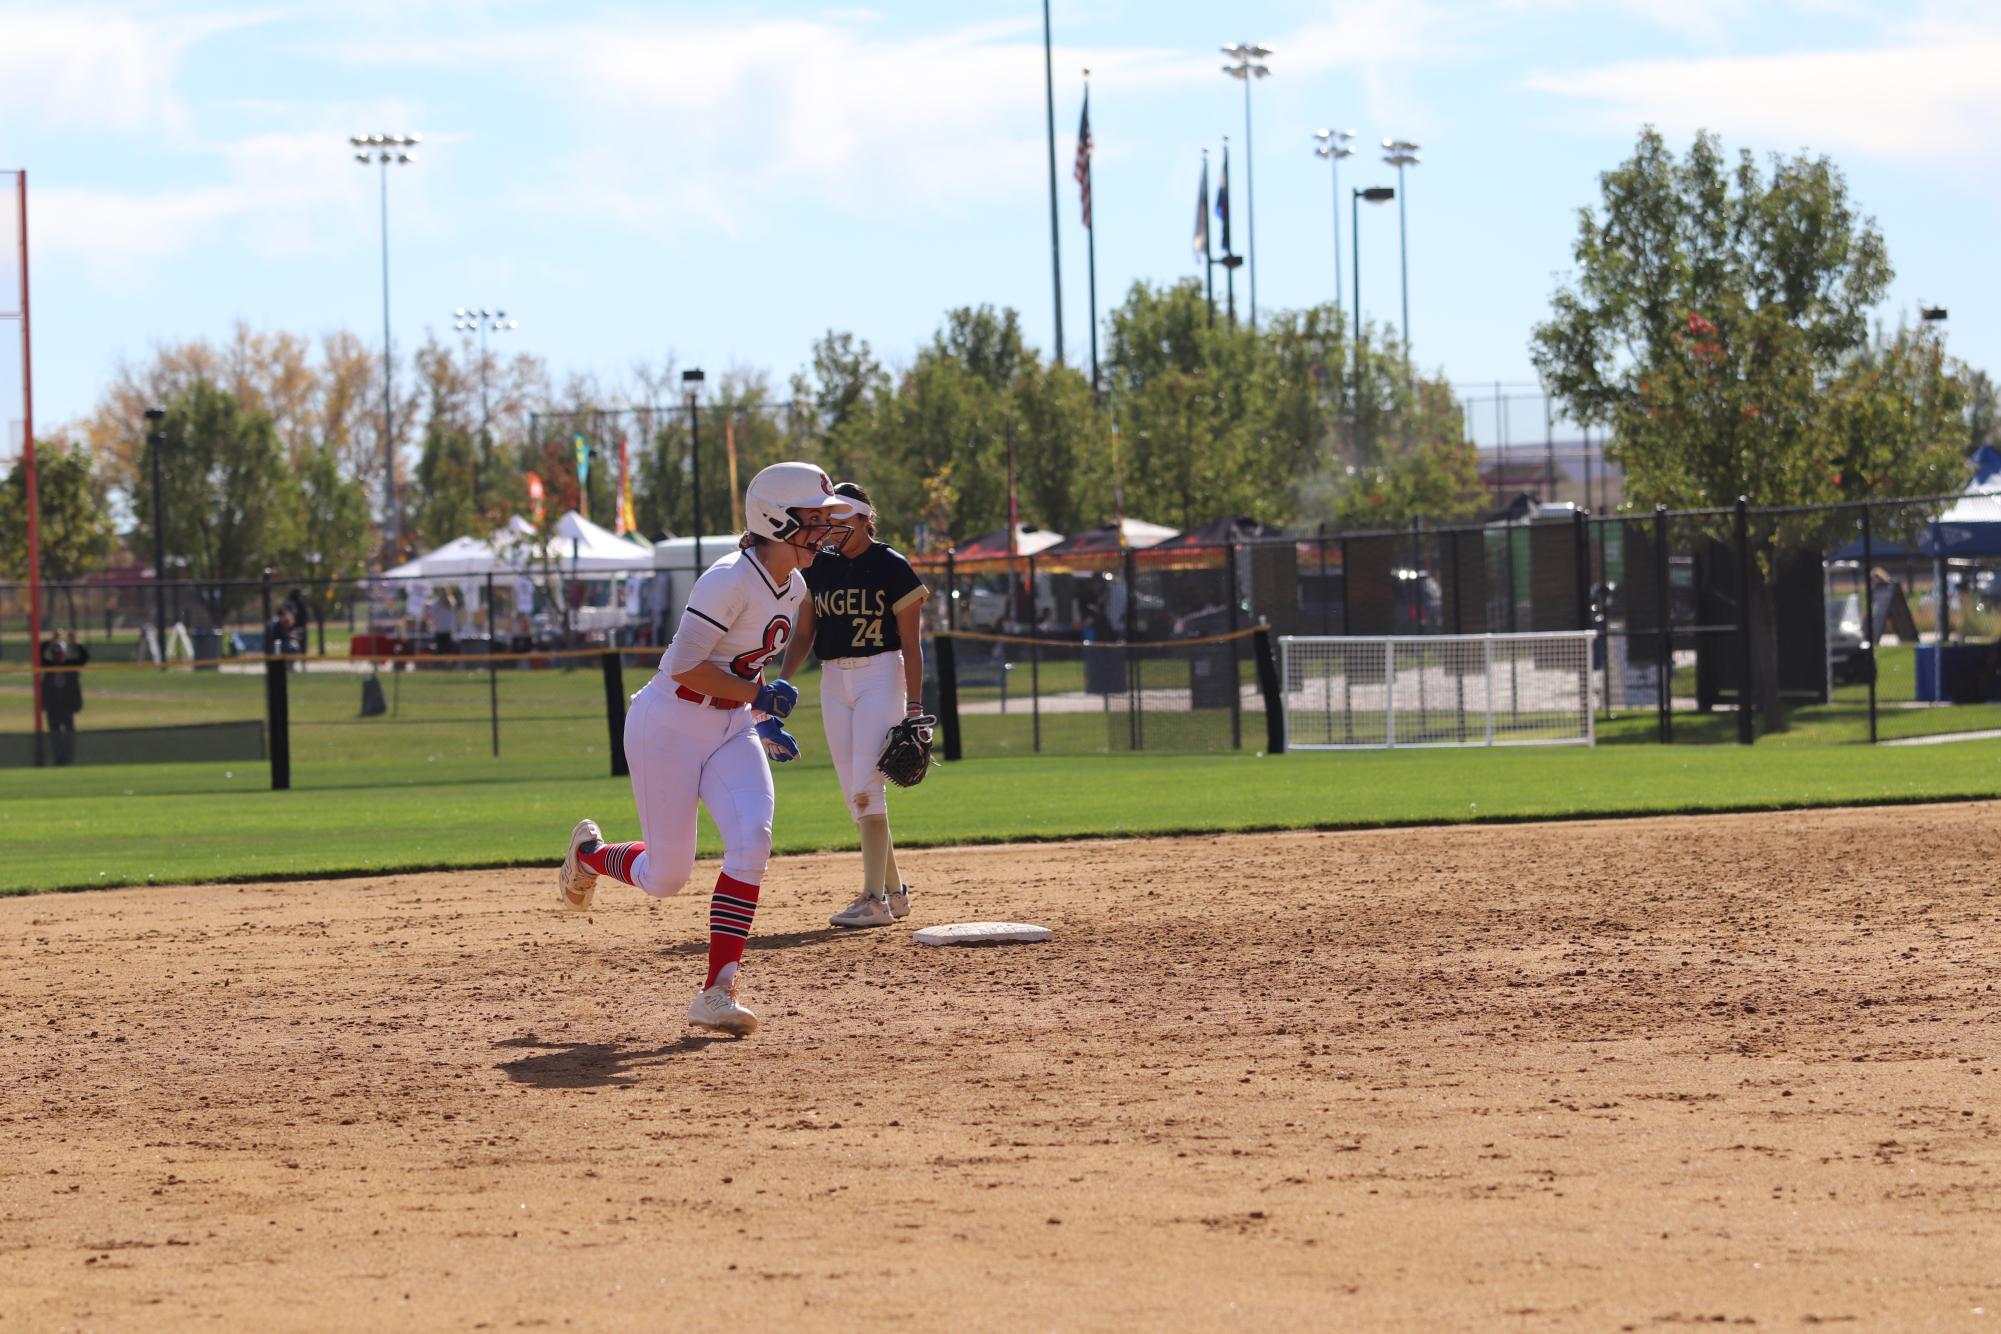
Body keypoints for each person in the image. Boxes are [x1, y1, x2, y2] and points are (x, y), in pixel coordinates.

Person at [556, 461, 860, 1037]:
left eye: (825, 520)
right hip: (667, 725)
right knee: (666, 878)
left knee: (753, 840)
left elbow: (743, 668)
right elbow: (686, 668)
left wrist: (759, 718)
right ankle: (591, 852)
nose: (823, 531)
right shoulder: (727, 579)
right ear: (775, 519)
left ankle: (716, 992)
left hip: (729, 728)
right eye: (813, 520)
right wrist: (759, 695)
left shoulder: (792, 585)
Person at [777, 481, 930, 929]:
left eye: (842, 515)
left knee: (867, 786)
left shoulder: (891, 566)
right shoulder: (818, 567)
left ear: (865, 517)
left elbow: (912, 644)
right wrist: (782, 682)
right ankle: (896, 894)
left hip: (880, 674)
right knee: (853, 794)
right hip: (832, 680)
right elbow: (804, 633)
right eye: (827, 516)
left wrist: (916, 706)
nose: (831, 524)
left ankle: (873, 899)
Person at [39, 629, 88, 766]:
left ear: (65, 653)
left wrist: (74, 642)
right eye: (55, 653)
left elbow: (85, 657)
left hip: (67, 707)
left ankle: (68, 760)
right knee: (55, 737)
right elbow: (38, 653)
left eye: (60, 653)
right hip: (52, 707)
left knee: (69, 736)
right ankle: (58, 760)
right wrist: (52, 640)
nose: (58, 656)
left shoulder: (70, 665)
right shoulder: (48, 665)